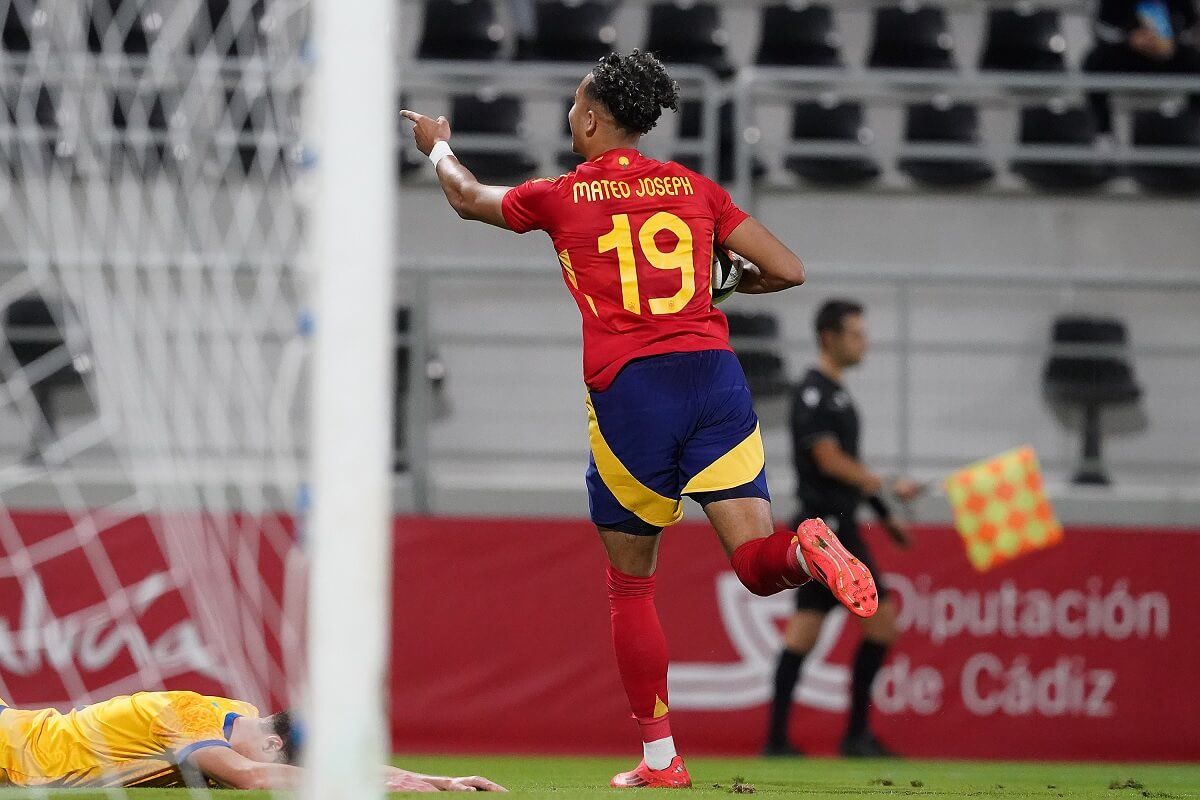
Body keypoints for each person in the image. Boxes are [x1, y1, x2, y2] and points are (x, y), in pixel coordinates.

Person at [401, 50, 879, 789]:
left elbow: (466, 198)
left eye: (572, 103)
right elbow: (790, 270)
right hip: (715, 380)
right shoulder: (695, 189)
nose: (568, 114)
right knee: (758, 567)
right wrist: (731, 282)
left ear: (591, 118)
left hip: (632, 392)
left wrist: (439, 144)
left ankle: (661, 759)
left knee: (631, 587)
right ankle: (808, 555)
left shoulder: (560, 195)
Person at [763, 299, 924, 759]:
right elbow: (828, 459)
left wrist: (883, 509)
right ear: (829, 338)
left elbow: (849, 468)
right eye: (856, 333)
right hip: (829, 531)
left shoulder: (837, 393)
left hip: (829, 527)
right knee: (882, 626)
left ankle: (776, 742)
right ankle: (855, 736)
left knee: (803, 632)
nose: (864, 341)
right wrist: (889, 484)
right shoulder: (813, 392)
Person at [0, 690, 505, 791]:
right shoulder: (189, 721)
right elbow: (249, 775)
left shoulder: (241, 717)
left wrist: (420, 778)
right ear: (273, 747)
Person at [1083, 0, 1200, 134]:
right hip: (1126, 54)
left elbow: (1191, 25)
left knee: (1195, 62)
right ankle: (1103, 132)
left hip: (1168, 54)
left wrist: (1171, 41)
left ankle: (1194, 129)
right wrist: (1129, 38)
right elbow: (1101, 25)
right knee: (1094, 61)